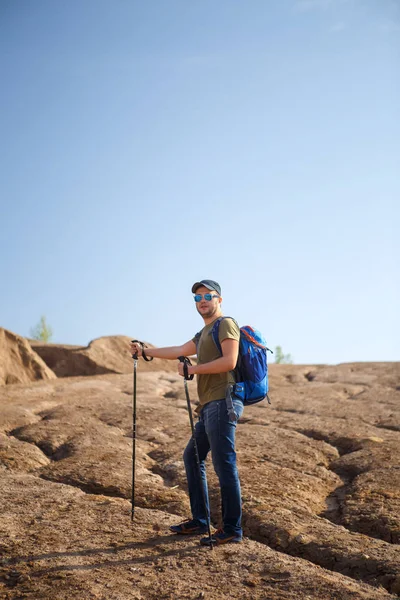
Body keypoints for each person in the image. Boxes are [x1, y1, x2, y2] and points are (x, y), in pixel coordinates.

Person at [130, 279, 244, 546]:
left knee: (224, 464)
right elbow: (180, 351)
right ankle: (200, 520)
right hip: (209, 405)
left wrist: (192, 370)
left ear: (219, 299)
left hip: (222, 401)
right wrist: (145, 351)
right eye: (197, 298)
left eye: (208, 296)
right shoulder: (203, 333)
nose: (202, 301)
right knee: (192, 458)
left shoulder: (226, 324)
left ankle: (232, 529)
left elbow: (230, 361)